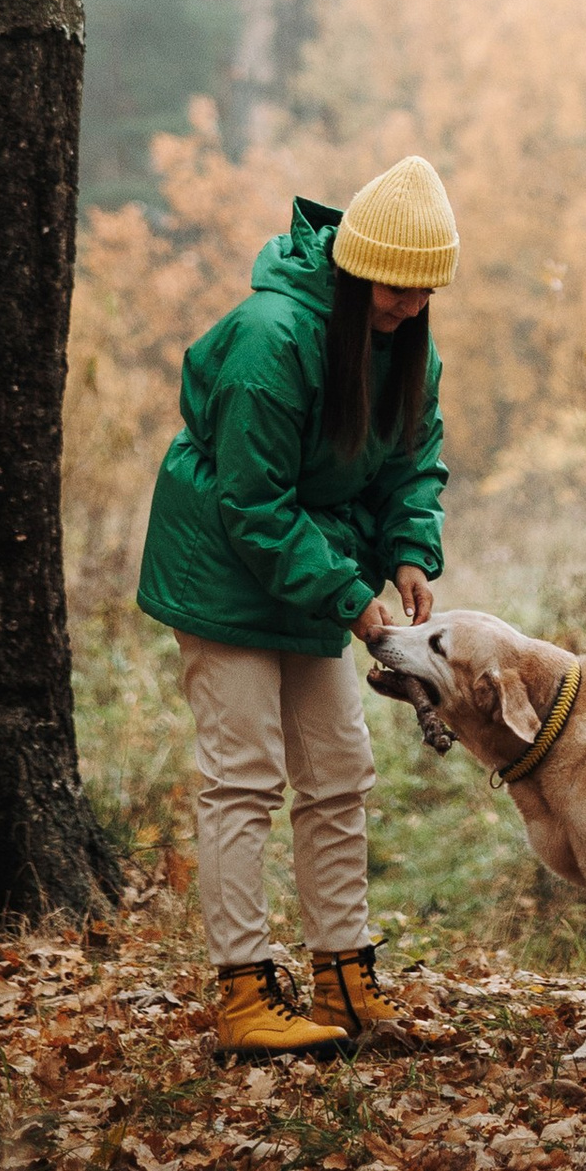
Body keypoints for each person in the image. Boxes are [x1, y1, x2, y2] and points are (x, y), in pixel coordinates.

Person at [137, 154, 456, 1057]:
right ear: (355, 271)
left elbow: (413, 461)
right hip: (223, 569)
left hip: (313, 567)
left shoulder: (408, 344)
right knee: (243, 777)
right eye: (395, 289)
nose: (410, 307)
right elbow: (252, 503)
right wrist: (351, 595)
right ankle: (245, 996)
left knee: (340, 770)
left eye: (426, 291)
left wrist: (407, 549)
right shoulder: (271, 336)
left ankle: (343, 978)